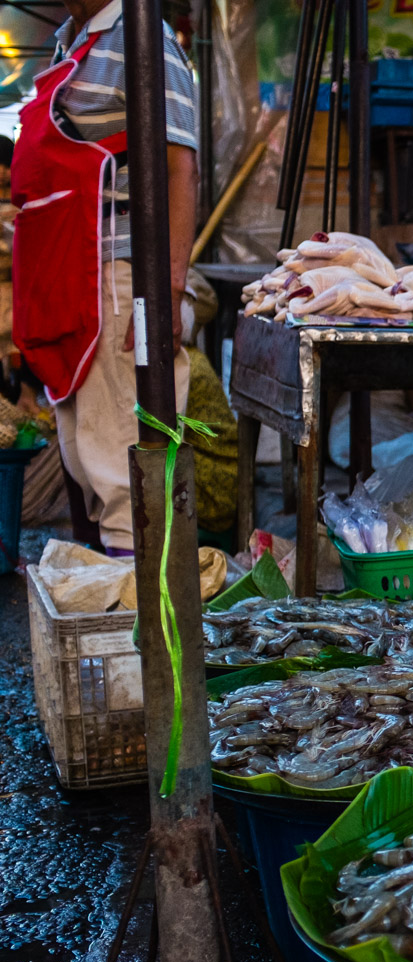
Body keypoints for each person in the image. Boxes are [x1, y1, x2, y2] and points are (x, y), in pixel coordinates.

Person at [10, 0, 199, 555]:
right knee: (81, 447)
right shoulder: (73, 40)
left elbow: (178, 166)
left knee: (122, 459)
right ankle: (112, 599)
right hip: (69, 272)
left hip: (121, 277)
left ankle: (140, 621)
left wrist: (166, 290)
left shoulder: (143, 38)